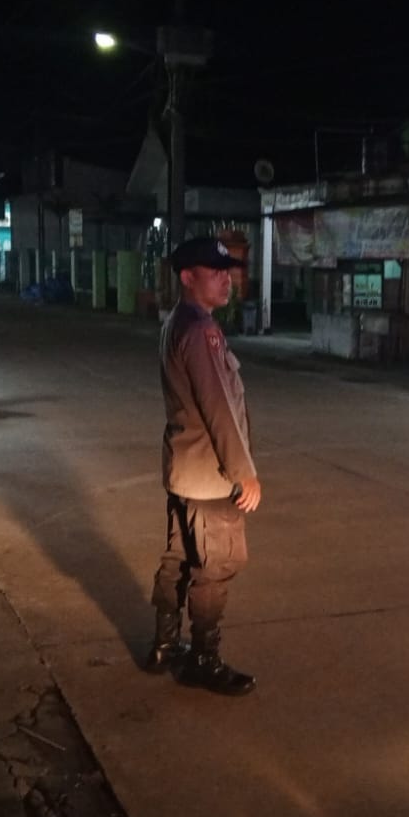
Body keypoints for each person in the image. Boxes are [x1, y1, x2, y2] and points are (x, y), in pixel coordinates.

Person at [146, 236, 260, 695]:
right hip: (210, 479)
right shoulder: (199, 331)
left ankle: (164, 644)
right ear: (188, 277)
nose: (226, 279)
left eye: (227, 271)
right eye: (215, 272)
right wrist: (243, 473)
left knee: (179, 558)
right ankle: (203, 659)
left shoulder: (177, 322)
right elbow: (219, 409)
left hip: (183, 471)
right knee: (215, 566)